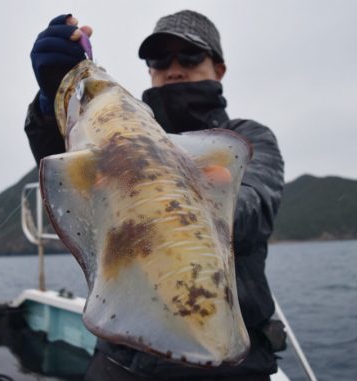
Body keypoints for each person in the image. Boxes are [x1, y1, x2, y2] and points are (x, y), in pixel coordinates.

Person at [25, 10, 286, 381]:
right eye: (160, 59)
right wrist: (53, 103)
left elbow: (253, 209)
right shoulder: (115, 132)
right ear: (149, 69)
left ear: (219, 68)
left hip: (228, 367)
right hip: (121, 358)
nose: (174, 68)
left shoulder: (247, 138)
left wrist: (185, 191)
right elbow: (69, 174)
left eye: (191, 56)